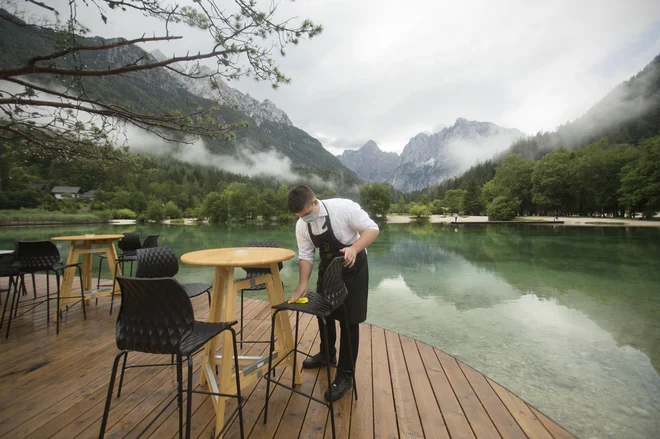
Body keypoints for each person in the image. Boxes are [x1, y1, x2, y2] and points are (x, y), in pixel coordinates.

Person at [287, 185, 379, 401]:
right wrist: (302, 283)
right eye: (300, 216)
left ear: (315, 202)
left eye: (307, 214)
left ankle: (346, 375)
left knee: (349, 321)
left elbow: (372, 229)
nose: (304, 219)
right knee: (324, 313)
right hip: (328, 268)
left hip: (354, 268)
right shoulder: (302, 225)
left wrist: (354, 248)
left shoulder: (344, 208)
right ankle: (327, 355)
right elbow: (306, 255)